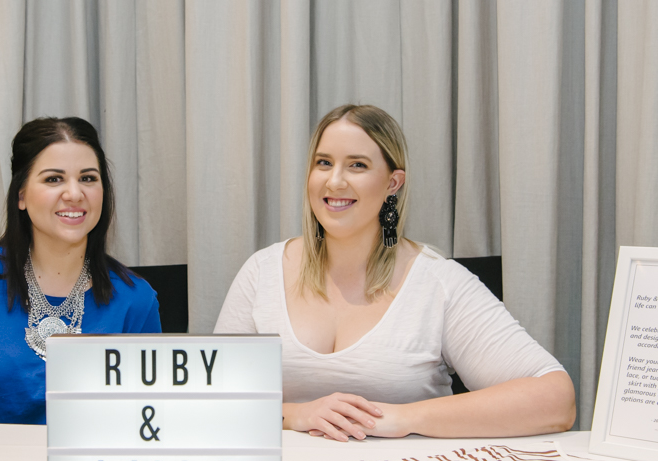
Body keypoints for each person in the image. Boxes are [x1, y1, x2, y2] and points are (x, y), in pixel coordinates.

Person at [214, 104, 575, 441]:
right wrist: (294, 415)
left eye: (357, 165)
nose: (334, 181)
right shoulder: (262, 271)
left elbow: (556, 399)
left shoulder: (439, 282)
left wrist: (398, 418)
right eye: (323, 163)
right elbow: (210, 400)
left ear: (393, 183)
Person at [0, 117, 161, 424]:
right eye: (54, 179)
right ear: (21, 196)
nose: (74, 193)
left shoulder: (136, 299)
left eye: (88, 178)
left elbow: (147, 419)